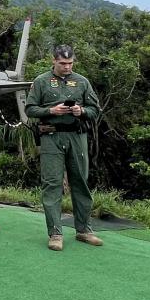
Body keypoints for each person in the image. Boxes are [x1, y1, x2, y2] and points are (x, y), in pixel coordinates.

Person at [25, 45, 102, 251]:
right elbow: (30, 109)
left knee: (80, 181)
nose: (67, 67)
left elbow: (95, 110)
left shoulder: (82, 82)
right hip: (52, 136)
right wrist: (52, 110)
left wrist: (81, 110)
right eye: (62, 63)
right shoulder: (41, 82)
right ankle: (55, 233)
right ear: (54, 61)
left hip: (77, 136)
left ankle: (84, 230)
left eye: (70, 63)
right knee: (52, 184)